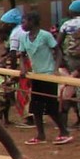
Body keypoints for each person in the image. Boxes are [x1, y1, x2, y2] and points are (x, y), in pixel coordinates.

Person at [19, 12, 73, 145]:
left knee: (51, 106)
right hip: (36, 75)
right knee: (36, 106)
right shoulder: (24, 37)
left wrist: (55, 68)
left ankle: (64, 132)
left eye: (24, 21)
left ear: (32, 22)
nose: (22, 24)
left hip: (48, 74)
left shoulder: (45, 36)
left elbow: (58, 51)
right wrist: (23, 69)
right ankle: (40, 135)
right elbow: (22, 55)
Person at [56, 0, 80, 73]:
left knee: (73, 81)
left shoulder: (67, 24)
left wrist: (61, 58)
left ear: (71, 12)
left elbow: (57, 43)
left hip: (71, 58)